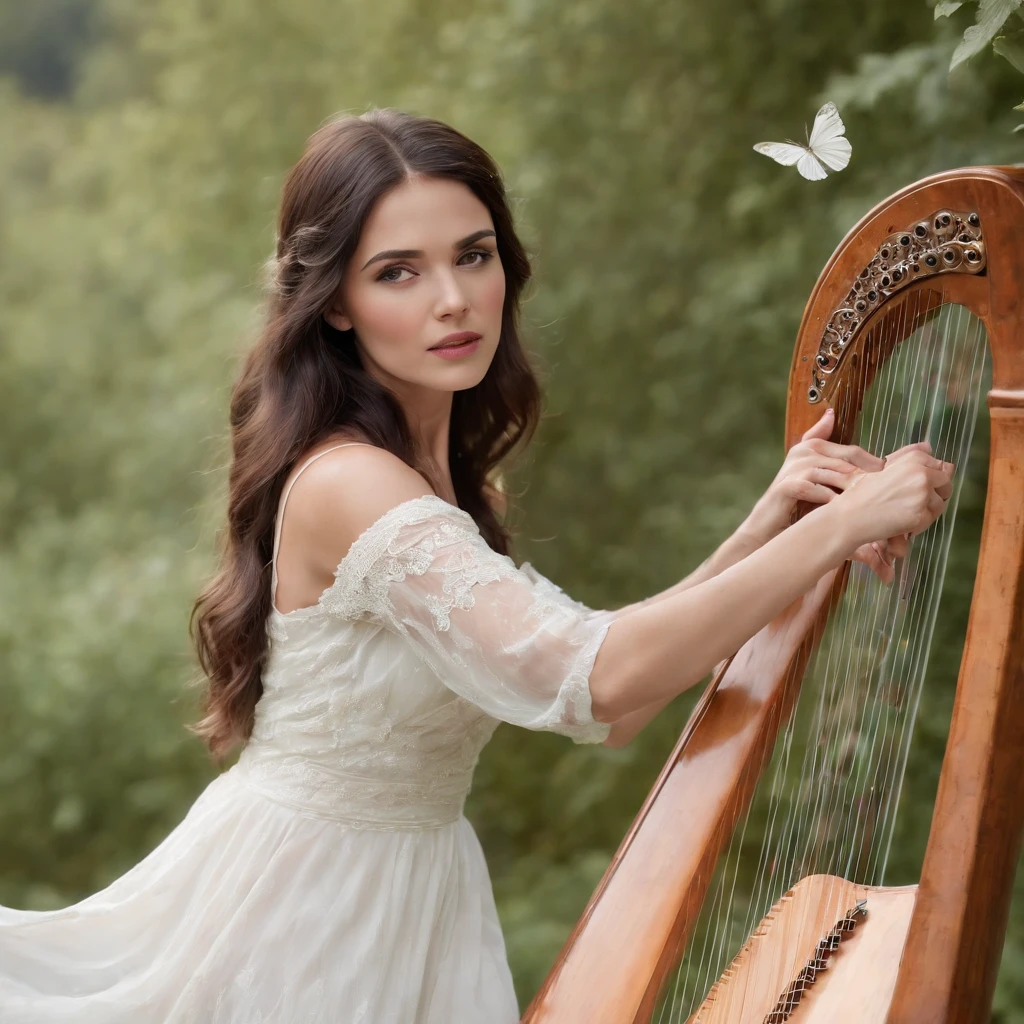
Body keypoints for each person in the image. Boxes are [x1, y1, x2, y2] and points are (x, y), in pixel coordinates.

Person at [0, 107, 953, 1023]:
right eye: (398, 273)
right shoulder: (352, 488)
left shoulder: (449, 492)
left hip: (416, 905)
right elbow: (592, 677)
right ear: (334, 303)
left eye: (473, 255)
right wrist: (837, 531)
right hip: (304, 915)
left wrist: (771, 522)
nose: (452, 299)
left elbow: (614, 705)